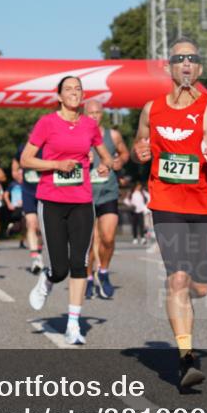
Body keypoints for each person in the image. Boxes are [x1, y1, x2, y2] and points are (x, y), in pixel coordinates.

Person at [133, 37, 207, 391]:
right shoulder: (151, 109)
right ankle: (185, 358)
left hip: (206, 205)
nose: (185, 63)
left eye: (192, 59)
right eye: (179, 58)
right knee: (177, 279)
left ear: (199, 68)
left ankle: (188, 305)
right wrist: (140, 153)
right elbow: (142, 144)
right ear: (168, 67)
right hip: (166, 203)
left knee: (200, 286)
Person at [23, 76, 113, 345]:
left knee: (80, 263)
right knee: (60, 267)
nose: (74, 93)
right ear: (59, 96)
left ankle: (73, 324)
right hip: (51, 200)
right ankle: (48, 278)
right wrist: (55, 166)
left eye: (78, 89)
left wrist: (105, 164)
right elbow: (26, 159)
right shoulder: (47, 123)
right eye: (69, 89)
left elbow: (104, 154)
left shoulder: (89, 125)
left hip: (82, 200)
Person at [83, 99, 130, 299]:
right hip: (85, 194)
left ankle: (103, 272)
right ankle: (88, 279)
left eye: (98, 112)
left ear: (103, 114)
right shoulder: (77, 135)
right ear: (84, 114)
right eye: (90, 113)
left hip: (108, 192)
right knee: (90, 241)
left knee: (108, 238)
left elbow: (125, 153)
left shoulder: (113, 135)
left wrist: (118, 162)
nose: (94, 116)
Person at [12, 140, 44, 273]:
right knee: (31, 224)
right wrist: (15, 173)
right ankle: (35, 257)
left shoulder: (48, 146)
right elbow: (15, 164)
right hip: (28, 191)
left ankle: (41, 252)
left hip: (45, 191)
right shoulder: (23, 146)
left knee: (42, 227)